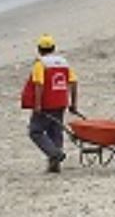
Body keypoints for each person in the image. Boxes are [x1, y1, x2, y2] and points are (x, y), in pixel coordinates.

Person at [21, 34, 78, 174]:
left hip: (47, 103)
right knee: (55, 131)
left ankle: (55, 154)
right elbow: (73, 83)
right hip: (61, 102)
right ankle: (54, 163)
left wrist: (38, 104)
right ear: (53, 48)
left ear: (39, 49)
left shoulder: (40, 64)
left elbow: (39, 85)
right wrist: (73, 103)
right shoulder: (64, 63)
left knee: (35, 131)